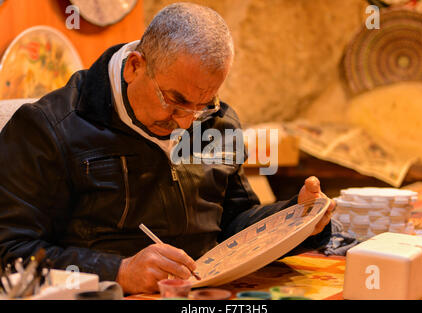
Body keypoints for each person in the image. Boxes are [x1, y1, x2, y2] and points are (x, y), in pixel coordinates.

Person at [0, 2, 335, 294]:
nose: (187, 123)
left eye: (203, 103)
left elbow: (233, 223)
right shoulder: (50, 128)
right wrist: (120, 271)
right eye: (175, 100)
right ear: (135, 66)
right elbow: (10, 253)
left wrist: (294, 219)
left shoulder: (216, 122)